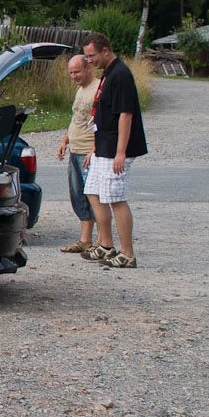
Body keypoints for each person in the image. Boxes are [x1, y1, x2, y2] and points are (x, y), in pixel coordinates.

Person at [81, 32, 148, 269]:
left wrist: (121, 152)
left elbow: (125, 114)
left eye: (92, 56)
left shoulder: (121, 75)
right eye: (87, 57)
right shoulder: (108, 73)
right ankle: (106, 244)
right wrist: (94, 147)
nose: (89, 61)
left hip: (116, 149)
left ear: (105, 50)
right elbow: (102, 115)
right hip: (103, 146)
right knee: (93, 191)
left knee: (116, 198)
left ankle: (127, 253)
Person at [55, 54, 99, 254]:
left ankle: (102, 241)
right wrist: (65, 140)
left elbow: (104, 124)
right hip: (75, 149)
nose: (74, 76)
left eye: (77, 72)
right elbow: (76, 118)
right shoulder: (80, 90)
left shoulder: (98, 89)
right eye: (71, 73)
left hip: (89, 152)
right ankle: (84, 240)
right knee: (78, 195)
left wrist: (95, 149)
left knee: (95, 197)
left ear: (88, 68)